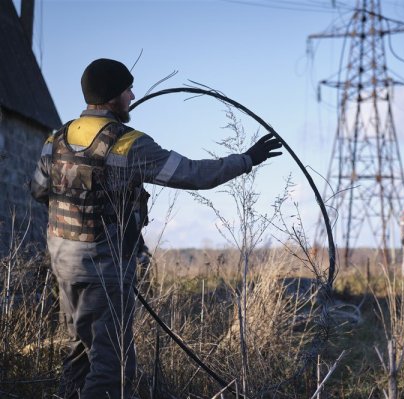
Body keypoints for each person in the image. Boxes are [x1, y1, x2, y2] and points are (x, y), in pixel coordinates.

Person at [29, 58, 283, 398]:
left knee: (79, 354)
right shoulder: (128, 144)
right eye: (126, 89)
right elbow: (194, 174)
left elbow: (39, 190)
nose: (132, 95)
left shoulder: (55, 139)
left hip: (63, 265)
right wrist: (247, 159)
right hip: (105, 272)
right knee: (111, 369)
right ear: (111, 96)